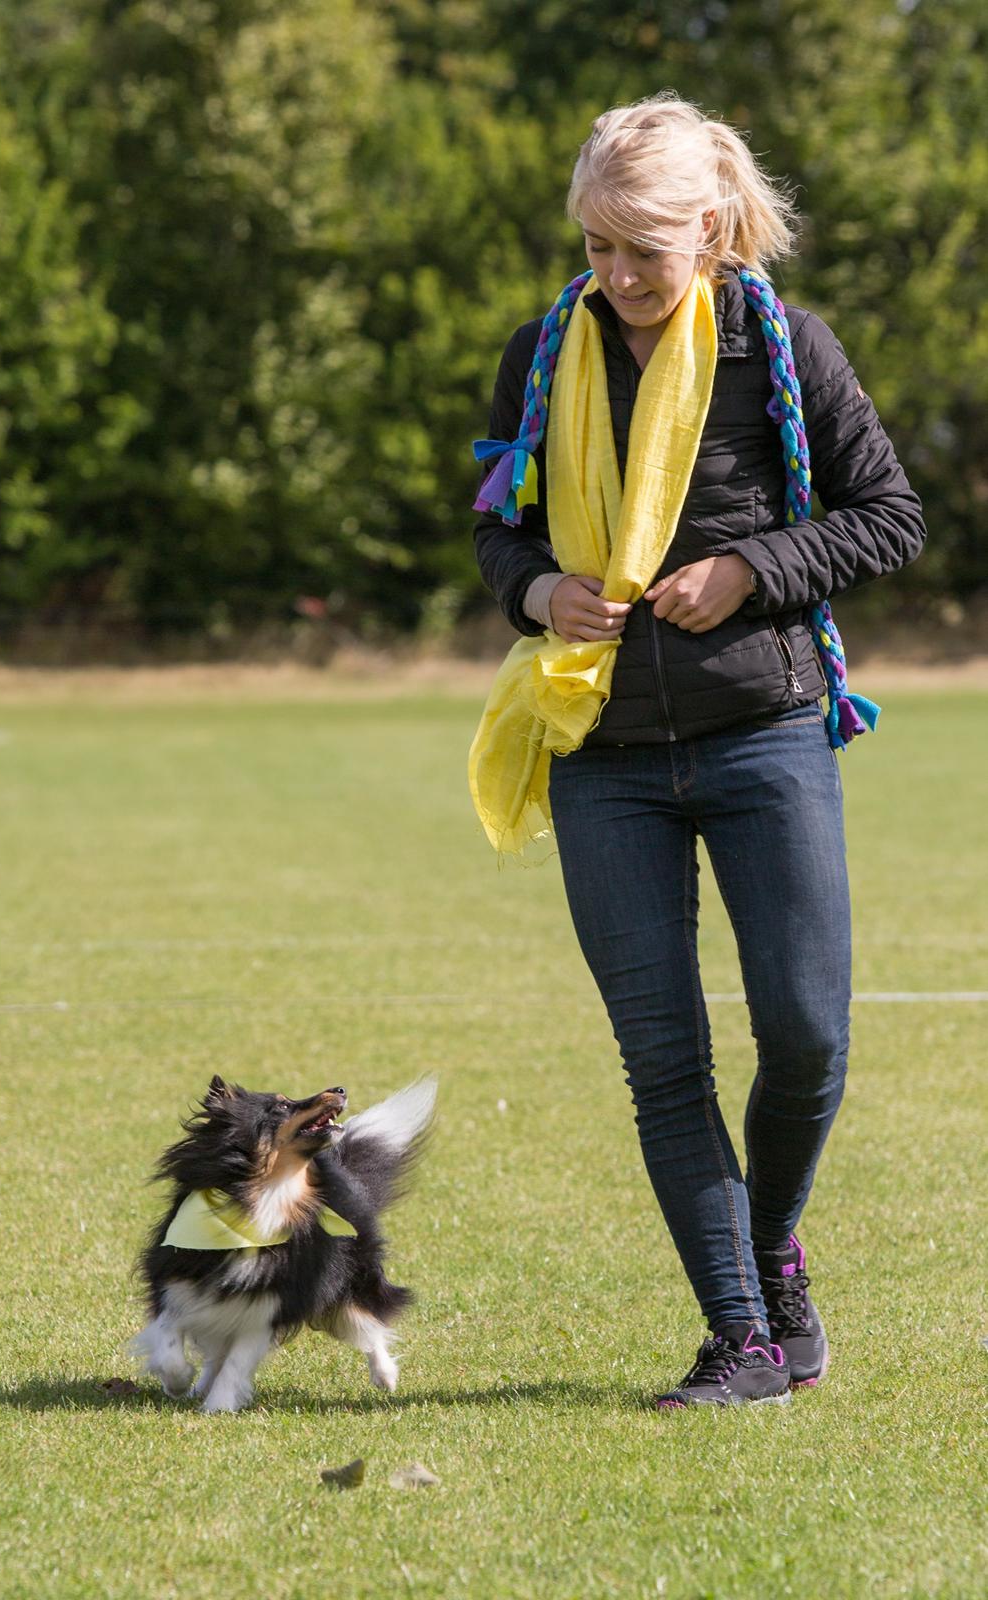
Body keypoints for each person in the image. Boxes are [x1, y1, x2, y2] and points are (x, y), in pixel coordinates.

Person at [469, 94, 925, 1409]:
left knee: (806, 1039)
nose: (613, 277)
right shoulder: (542, 354)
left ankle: (772, 1243)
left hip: (763, 736)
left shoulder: (784, 348)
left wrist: (752, 569)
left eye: (642, 250)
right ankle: (743, 1337)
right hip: (602, 755)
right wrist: (533, 593)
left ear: (710, 228)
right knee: (665, 1060)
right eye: (597, 246)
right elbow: (496, 523)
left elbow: (888, 518)